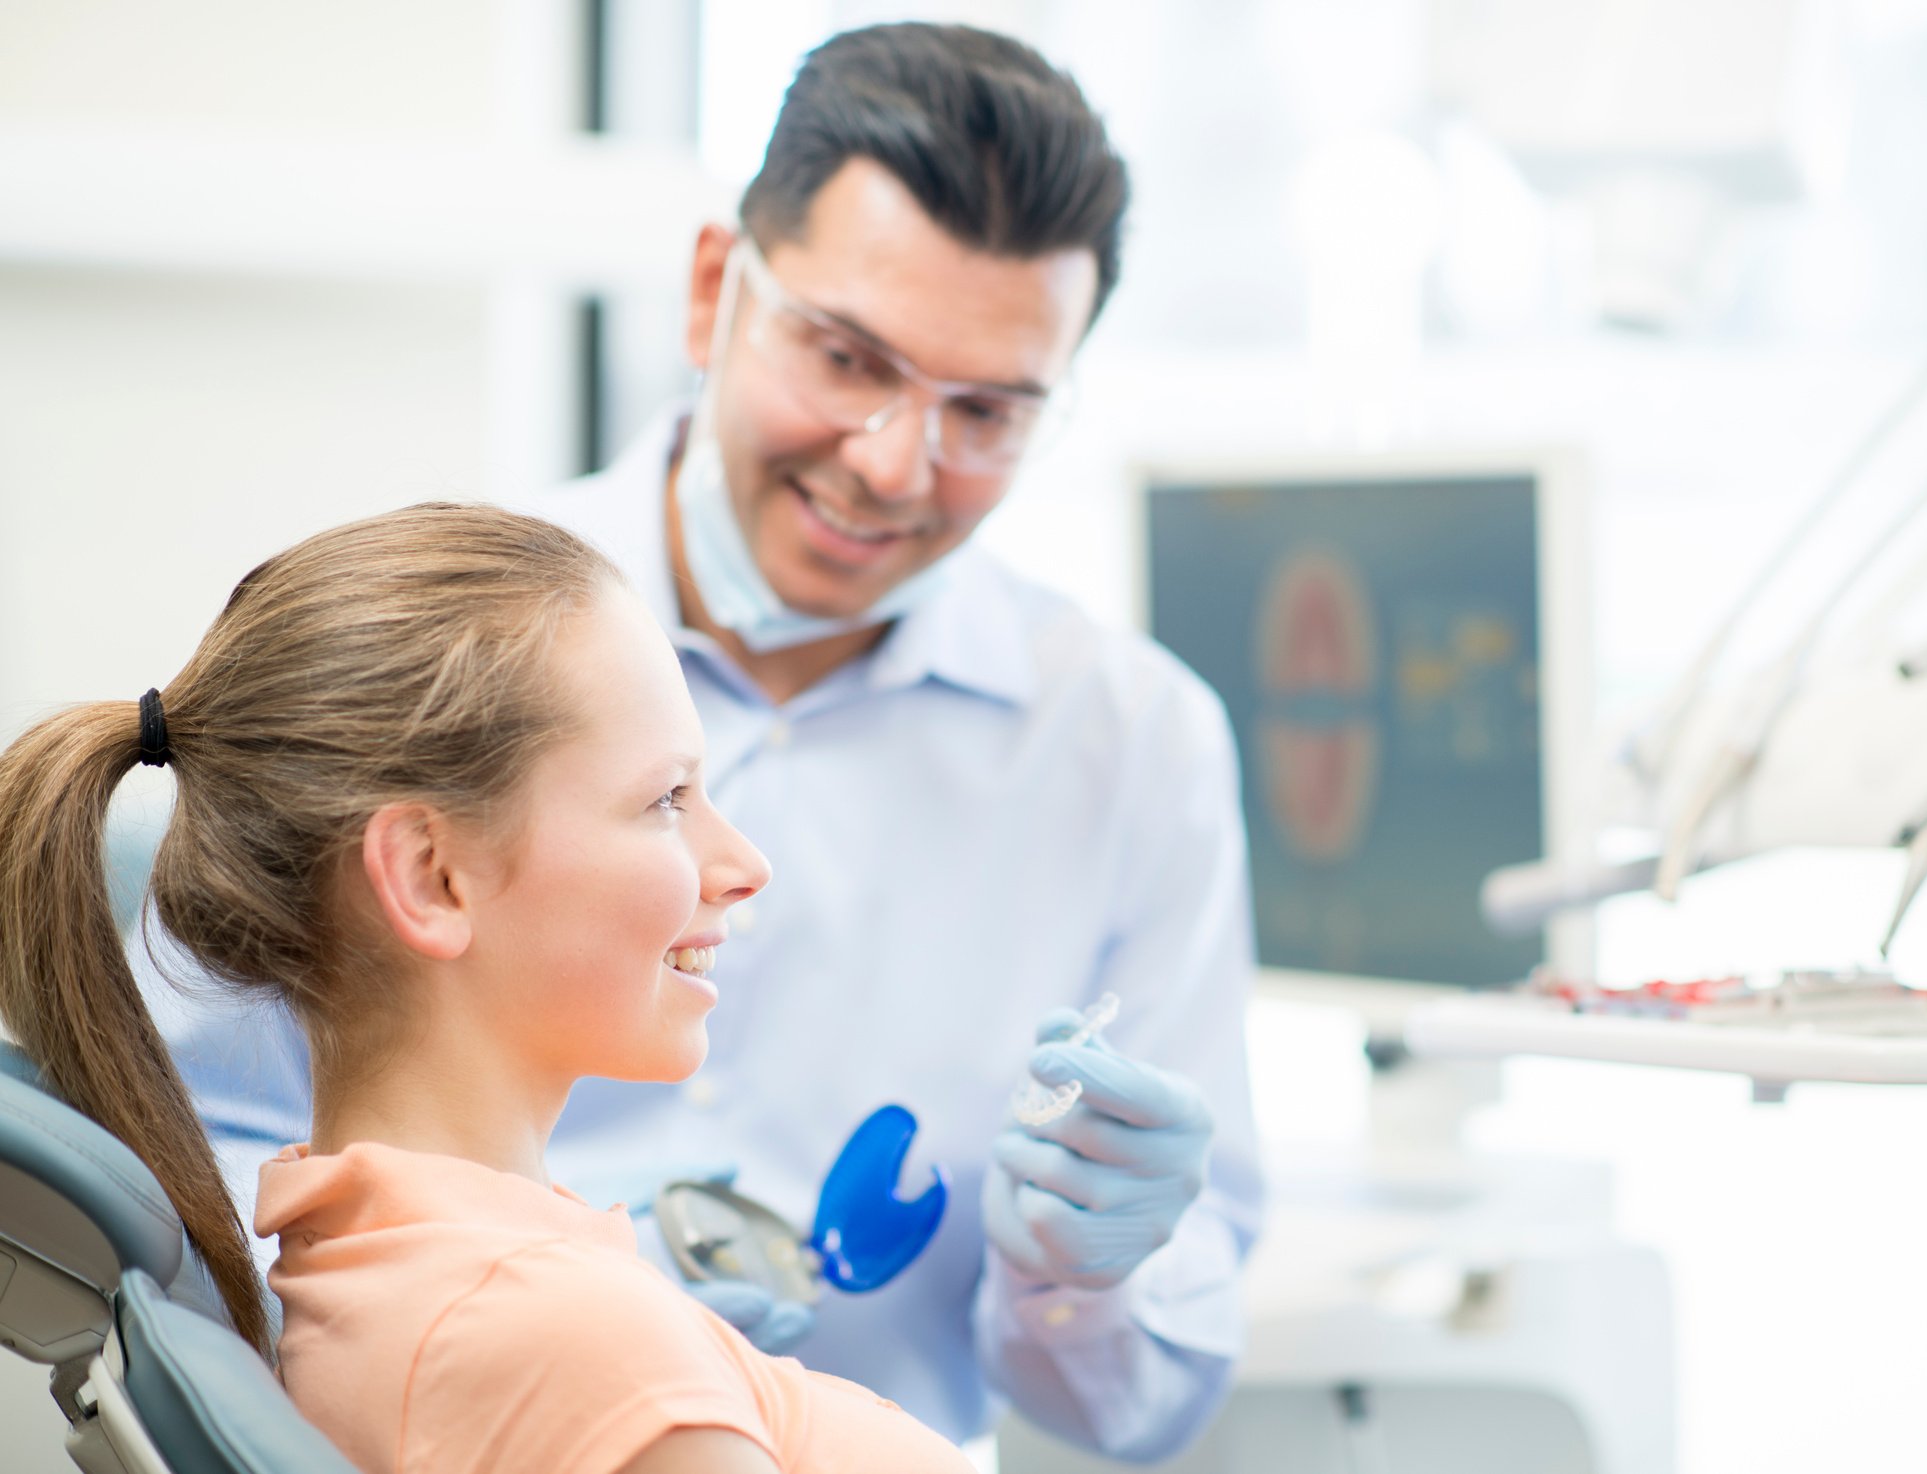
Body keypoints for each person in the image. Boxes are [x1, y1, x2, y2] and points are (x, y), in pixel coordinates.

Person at [166, 21, 1262, 1460]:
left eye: (986, 410)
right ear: (712, 293)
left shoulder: (1133, 746)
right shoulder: (443, 652)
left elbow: (1140, 1409)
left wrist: (1086, 1277)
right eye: (847, 356)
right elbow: (183, 1192)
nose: (892, 461)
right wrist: (561, 1305)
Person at [0, 502, 978, 1473]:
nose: (744, 863)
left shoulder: (411, 1278)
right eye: (666, 799)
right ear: (432, 878)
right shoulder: (565, 1340)